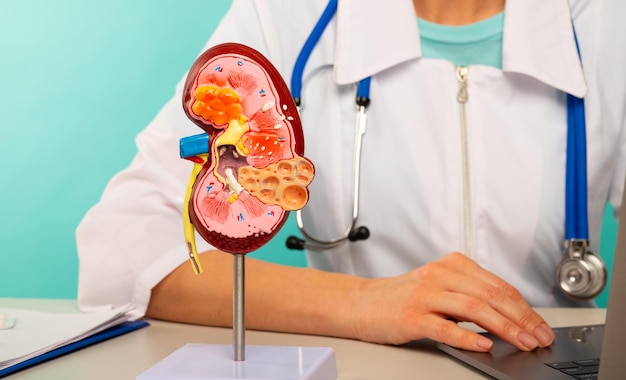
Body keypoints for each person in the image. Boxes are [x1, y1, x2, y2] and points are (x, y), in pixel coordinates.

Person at [76, 0, 626, 353]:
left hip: (557, 375)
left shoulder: (606, 24)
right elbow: (122, 248)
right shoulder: (286, 17)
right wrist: (364, 304)